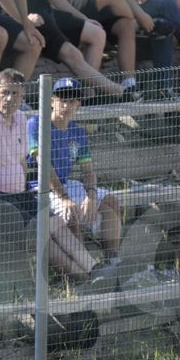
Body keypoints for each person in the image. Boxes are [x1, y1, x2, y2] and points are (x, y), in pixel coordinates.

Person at [0, 69, 101, 277]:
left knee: (56, 224)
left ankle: (94, 269)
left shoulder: (20, 119)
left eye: (15, 93)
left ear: (22, 95)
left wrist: (24, 187)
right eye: (5, 93)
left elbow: (21, 161)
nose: (10, 99)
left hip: (20, 194)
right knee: (42, 236)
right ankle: (84, 278)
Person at [28, 78, 122, 261]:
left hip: (65, 184)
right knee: (71, 213)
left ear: (78, 104)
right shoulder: (36, 123)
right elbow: (44, 166)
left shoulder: (78, 132)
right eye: (62, 99)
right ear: (52, 100)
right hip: (38, 187)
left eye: (72, 100)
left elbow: (88, 171)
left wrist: (91, 195)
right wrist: (65, 199)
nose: (67, 105)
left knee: (111, 200)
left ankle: (112, 261)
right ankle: (89, 270)